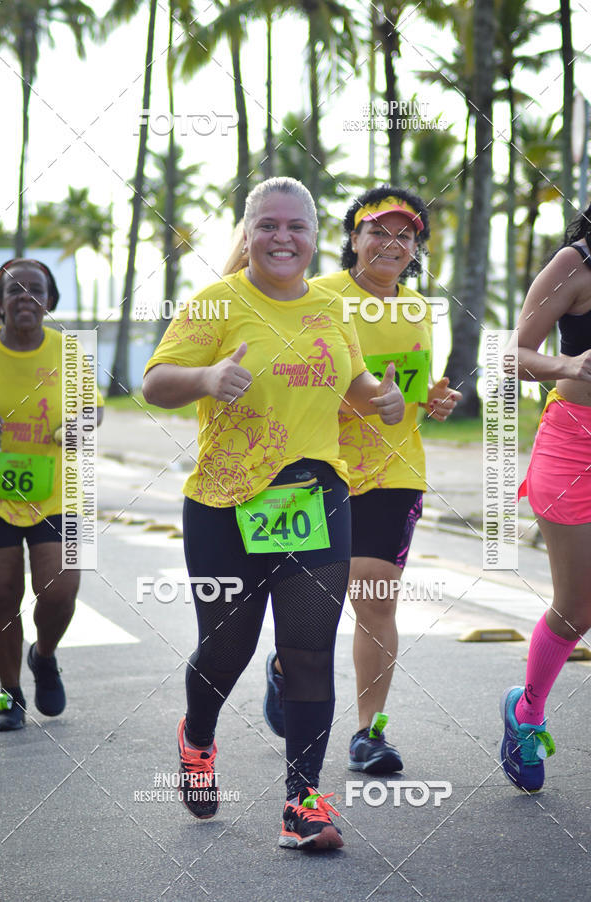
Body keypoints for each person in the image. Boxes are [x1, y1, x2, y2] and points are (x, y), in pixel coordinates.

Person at [142, 177, 405, 851]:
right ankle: (198, 739)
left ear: (316, 237)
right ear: (249, 232)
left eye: (296, 226)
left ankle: (303, 804)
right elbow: (154, 380)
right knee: (227, 648)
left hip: (316, 494)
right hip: (225, 503)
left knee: (308, 651)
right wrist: (204, 379)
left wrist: (382, 397)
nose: (283, 238)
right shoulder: (216, 304)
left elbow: (352, 380)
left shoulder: (329, 308)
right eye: (268, 226)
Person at [263, 186, 461, 773]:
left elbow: (413, 387)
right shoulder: (316, 295)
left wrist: (435, 398)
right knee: (307, 601)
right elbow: (287, 375)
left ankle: (367, 733)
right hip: (306, 465)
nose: (391, 243)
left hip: (392, 469)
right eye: (378, 230)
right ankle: (284, 665)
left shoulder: (418, 307)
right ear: (353, 238)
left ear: (415, 247)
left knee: (374, 597)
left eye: (405, 235)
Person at [500, 205, 591, 792]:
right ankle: (526, 711)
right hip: (574, 445)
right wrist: (570, 364)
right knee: (578, 608)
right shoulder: (574, 265)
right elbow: (512, 355)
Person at [0, 258, 104, 731]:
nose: (24, 297)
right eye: (13, 290)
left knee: (61, 590)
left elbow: (94, 412)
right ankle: (10, 693)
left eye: (34, 289)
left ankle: (45, 654)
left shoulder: (72, 351)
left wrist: (80, 424)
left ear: (50, 301)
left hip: (64, 490)